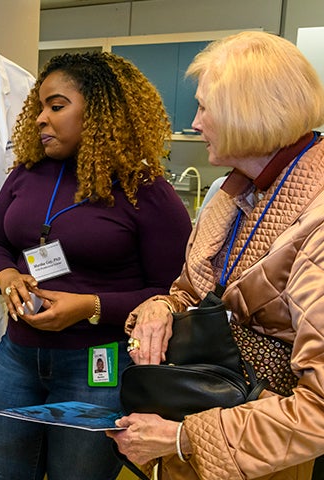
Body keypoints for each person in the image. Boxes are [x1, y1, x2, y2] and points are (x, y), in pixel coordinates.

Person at [107, 31, 324, 480]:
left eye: (205, 106)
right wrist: (160, 307)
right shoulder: (234, 193)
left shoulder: (316, 222)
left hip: (262, 458)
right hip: (198, 425)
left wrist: (182, 439)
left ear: (249, 111)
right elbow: (192, 292)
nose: (196, 121)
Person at [0, 51, 192, 479]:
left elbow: (173, 291)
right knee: (0, 473)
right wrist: (6, 275)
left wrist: (89, 306)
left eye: (56, 106)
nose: (40, 118)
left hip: (97, 366)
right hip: (16, 357)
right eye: (38, 107)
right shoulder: (26, 174)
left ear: (99, 112)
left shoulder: (146, 192)